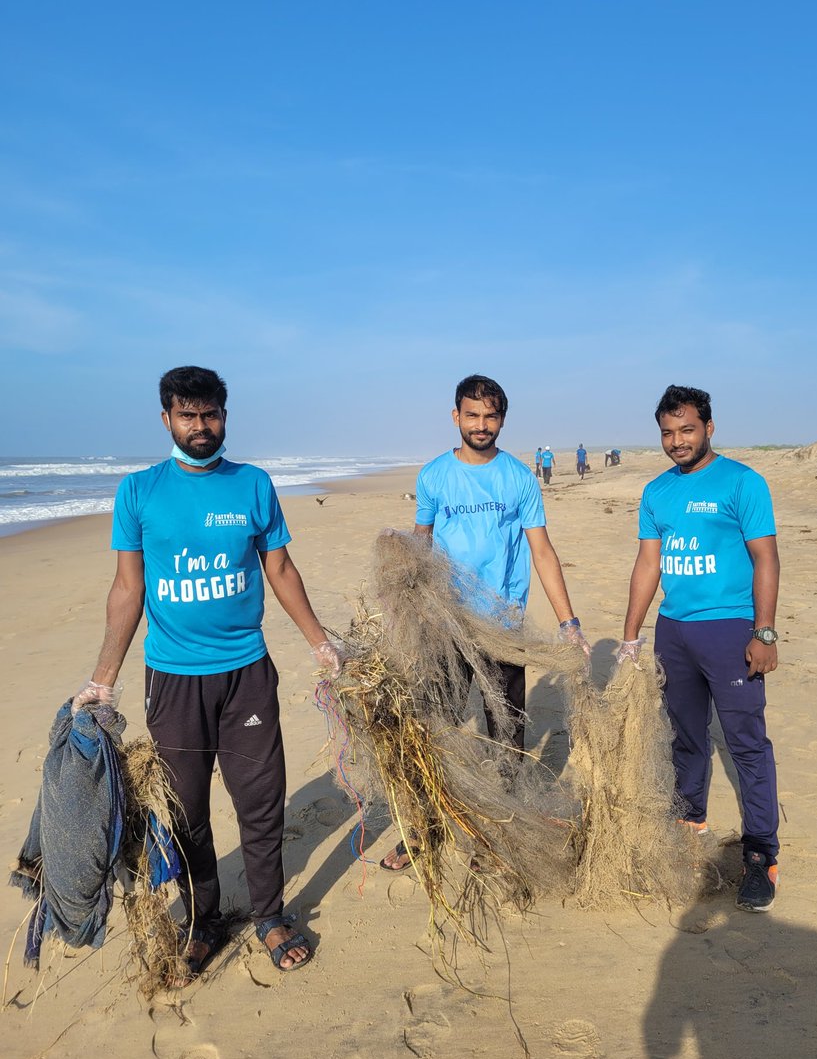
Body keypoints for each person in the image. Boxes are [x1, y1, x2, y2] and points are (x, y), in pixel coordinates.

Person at [88, 366, 342, 982]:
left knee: (260, 801)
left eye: (211, 415)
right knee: (186, 811)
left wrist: (319, 640)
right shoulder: (138, 492)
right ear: (166, 418)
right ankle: (204, 920)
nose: (201, 427)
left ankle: (270, 915)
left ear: (224, 416)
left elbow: (280, 570)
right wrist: (103, 679)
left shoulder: (252, 485)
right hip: (172, 680)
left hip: (246, 674)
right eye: (188, 415)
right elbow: (128, 589)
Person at [381, 374, 589, 870]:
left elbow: (541, 549)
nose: (481, 425)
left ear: (502, 419)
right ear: (456, 417)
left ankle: (501, 831)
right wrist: (403, 605)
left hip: (503, 626)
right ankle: (426, 825)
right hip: (447, 625)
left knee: (507, 731)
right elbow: (421, 544)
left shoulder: (518, 477)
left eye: (490, 416)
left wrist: (569, 622)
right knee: (437, 728)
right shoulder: (433, 476)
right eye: (472, 415)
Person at [618, 385, 781, 911]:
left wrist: (765, 632)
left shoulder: (742, 483)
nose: (677, 441)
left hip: (730, 630)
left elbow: (766, 559)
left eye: (687, 429)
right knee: (685, 738)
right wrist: (630, 635)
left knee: (746, 742)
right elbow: (648, 565)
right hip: (675, 631)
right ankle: (690, 827)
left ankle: (760, 854)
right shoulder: (656, 492)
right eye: (667, 432)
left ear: (709, 428)